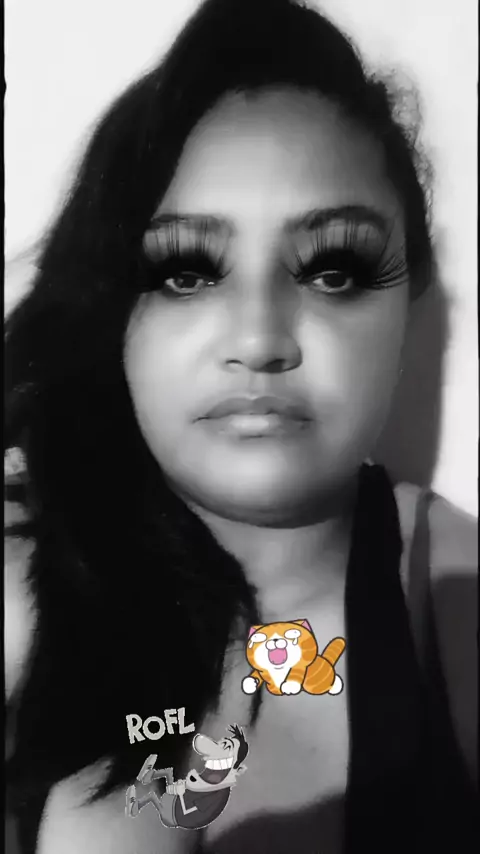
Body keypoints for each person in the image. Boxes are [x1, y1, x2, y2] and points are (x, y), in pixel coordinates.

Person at [4, 0, 477, 852]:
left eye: (333, 270)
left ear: (406, 312)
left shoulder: (454, 598)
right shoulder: (21, 590)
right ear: (113, 311)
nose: (259, 340)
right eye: (186, 272)